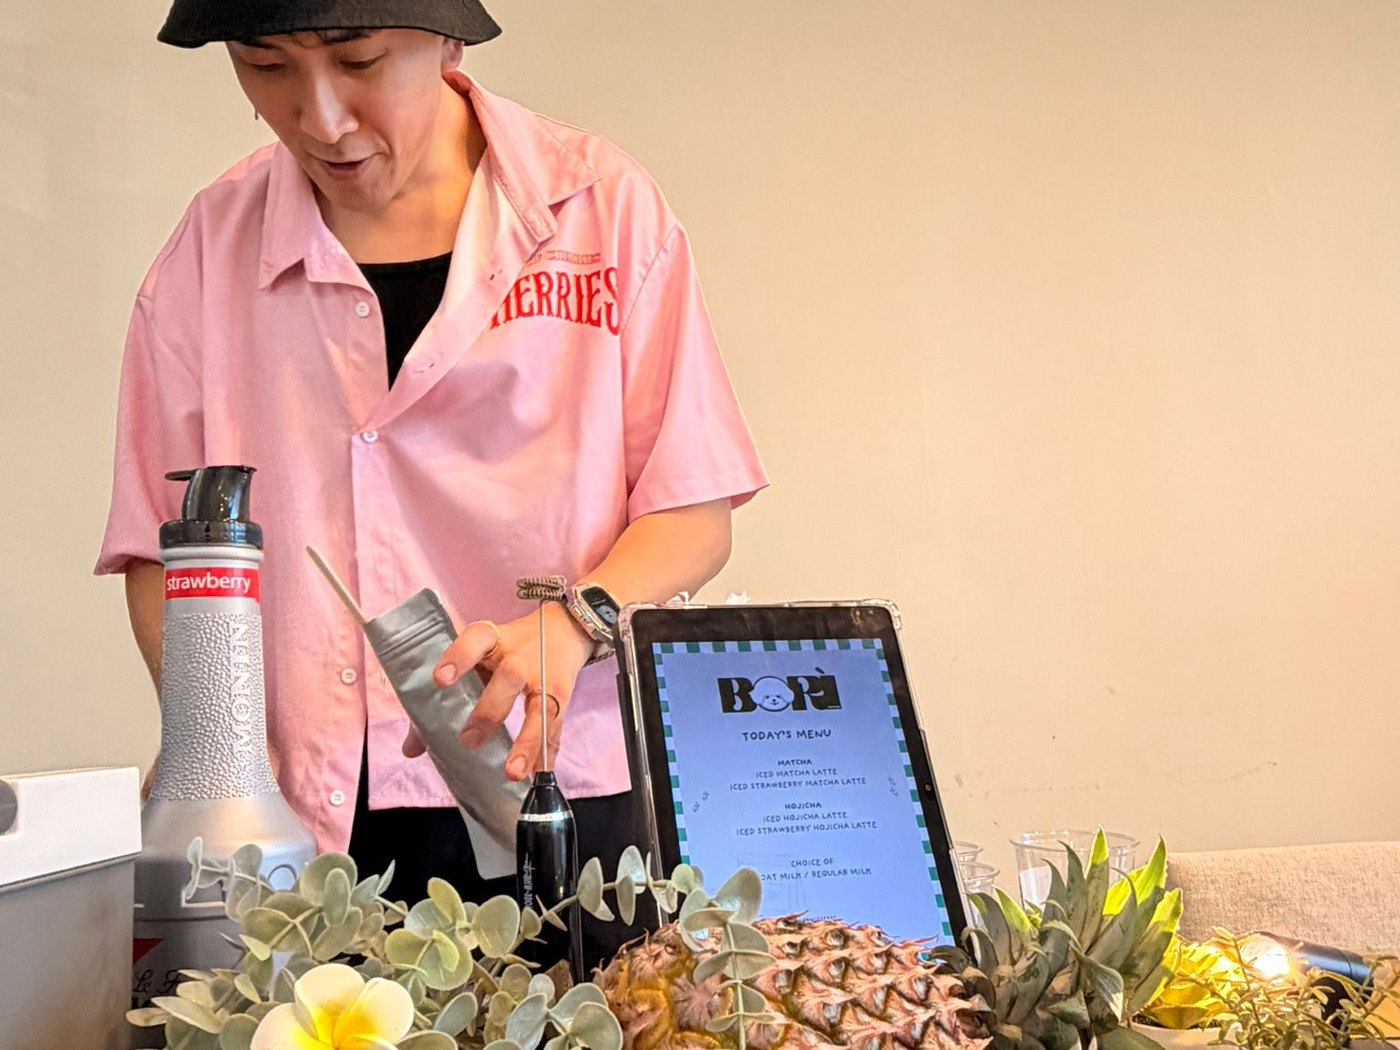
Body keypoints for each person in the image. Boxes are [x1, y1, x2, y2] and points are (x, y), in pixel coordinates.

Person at [95, 0, 767, 969]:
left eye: (358, 60)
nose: (318, 118)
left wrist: (572, 623)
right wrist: (221, 757)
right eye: (264, 66)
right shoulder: (210, 251)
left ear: (447, 42)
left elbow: (691, 512)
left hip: (556, 795)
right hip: (306, 822)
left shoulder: (602, 211)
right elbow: (164, 550)